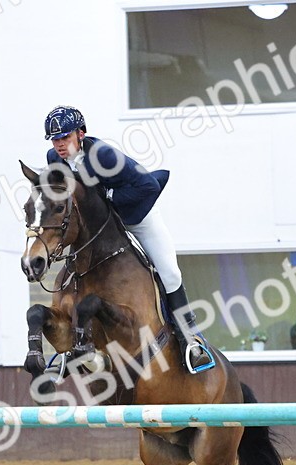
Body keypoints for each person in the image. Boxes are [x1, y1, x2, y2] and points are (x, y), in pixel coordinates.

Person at [42, 105, 214, 374]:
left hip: (137, 216)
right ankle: (70, 351)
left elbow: (149, 187)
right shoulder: (54, 157)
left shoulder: (104, 155)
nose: (59, 145)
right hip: (100, 228)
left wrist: (107, 197)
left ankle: (191, 340)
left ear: (81, 134)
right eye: (55, 139)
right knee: (75, 271)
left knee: (169, 273)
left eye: (64, 138)